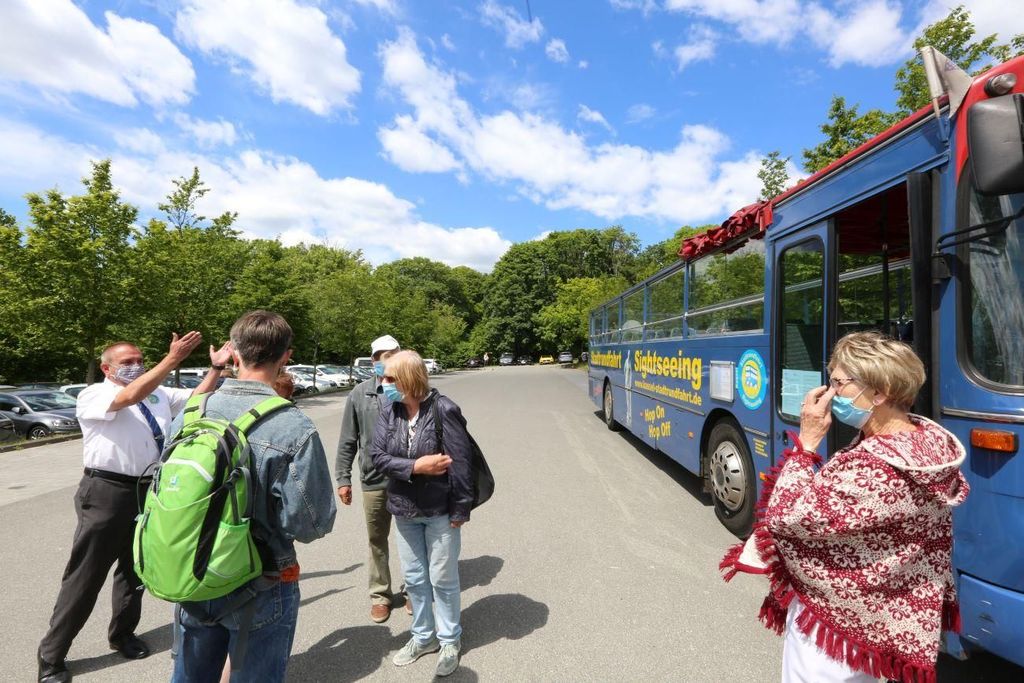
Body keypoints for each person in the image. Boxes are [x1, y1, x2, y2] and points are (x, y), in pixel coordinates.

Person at [720, 332, 969, 683]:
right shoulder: (925, 444)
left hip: (838, 624)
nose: (831, 392)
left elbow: (786, 517)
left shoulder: (875, 465)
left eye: (839, 382)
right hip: (881, 613)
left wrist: (807, 442)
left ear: (879, 392)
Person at [37, 332, 232, 683]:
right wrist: (172, 360)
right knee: (86, 576)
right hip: (106, 491)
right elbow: (130, 395)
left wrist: (216, 369)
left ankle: (123, 634)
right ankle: (52, 657)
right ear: (106, 367)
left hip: (147, 491)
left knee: (135, 570)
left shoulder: (156, 392)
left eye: (139, 359)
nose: (135, 366)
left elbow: (195, 396)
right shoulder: (95, 394)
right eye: (127, 362)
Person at [170, 310, 336, 683]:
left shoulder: (190, 413)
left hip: (192, 570)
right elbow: (311, 523)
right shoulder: (291, 425)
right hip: (261, 577)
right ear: (286, 356)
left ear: (235, 352)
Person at [371, 350, 474, 677]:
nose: (383, 383)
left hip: (440, 510)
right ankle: (423, 637)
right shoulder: (390, 410)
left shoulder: (444, 409)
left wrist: (460, 509)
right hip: (404, 510)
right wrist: (417, 466)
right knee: (414, 579)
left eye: (389, 378)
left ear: (407, 378)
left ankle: (449, 640)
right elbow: (377, 456)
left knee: (442, 579)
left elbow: (462, 465)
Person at [335, 334, 410, 623]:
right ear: (374, 361)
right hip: (374, 480)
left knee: (412, 537)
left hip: (408, 478)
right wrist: (343, 478)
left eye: (394, 354)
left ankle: (413, 591)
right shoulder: (360, 394)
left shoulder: (410, 388)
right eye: (384, 357)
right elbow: (347, 440)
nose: (389, 361)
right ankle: (380, 595)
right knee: (377, 539)